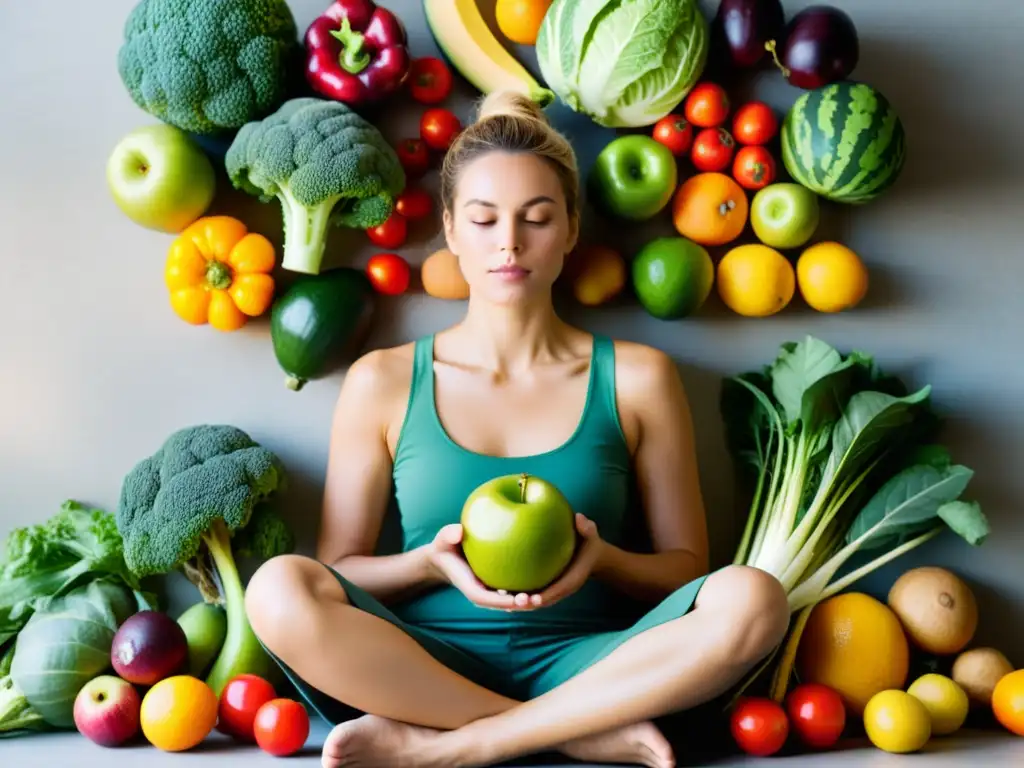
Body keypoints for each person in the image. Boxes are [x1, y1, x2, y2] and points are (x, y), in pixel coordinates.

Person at [244, 89, 790, 768]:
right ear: (450, 230)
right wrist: (427, 563)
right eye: (483, 219)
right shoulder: (382, 382)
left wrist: (603, 560)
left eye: (536, 218)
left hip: (594, 666)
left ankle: (453, 750)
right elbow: (338, 572)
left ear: (569, 230)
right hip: (420, 669)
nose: (508, 242)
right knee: (277, 588)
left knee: (754, 598)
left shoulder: (638, 378)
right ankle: (576, 734)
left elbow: (687, 571)